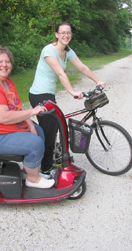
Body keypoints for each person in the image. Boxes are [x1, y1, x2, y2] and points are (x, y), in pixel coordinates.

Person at [0, 45, 54, 189]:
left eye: (7, 62)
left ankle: (31, 171)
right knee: (35, 144)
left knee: (38, 132)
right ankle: (33, 179)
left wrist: (31, 125)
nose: (4, 65)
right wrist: (32, 112)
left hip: (2, 130)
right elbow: (2, 117)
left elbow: (16, 108)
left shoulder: (6, 83)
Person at [29, 22, 106, 176]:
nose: (66, 35)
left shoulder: (67, 51)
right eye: (62, 32)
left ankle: (53, 155)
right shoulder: (49, 50)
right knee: (50, 131)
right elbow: (60, 73)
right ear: (56, 34)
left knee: (56, 125)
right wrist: (72, 92)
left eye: (68, 33)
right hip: (39, 95)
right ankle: (45, 170)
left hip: (49, 94)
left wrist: (97, 81)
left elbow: (82, 67)